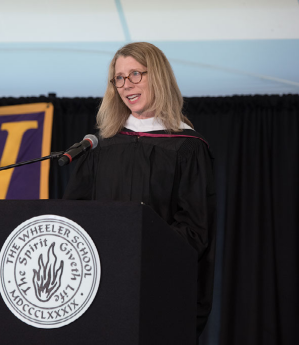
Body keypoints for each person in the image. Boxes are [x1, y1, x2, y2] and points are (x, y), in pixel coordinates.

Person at [63, 42, 216, 338]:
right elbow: (75, 215)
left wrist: (137, 252)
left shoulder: (187, 146)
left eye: (135, 74)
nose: (126, 85)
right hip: (100, 288)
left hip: (158, 287)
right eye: (119, 78)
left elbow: (196, 229)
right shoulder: (101, 147)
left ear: (157, 75)